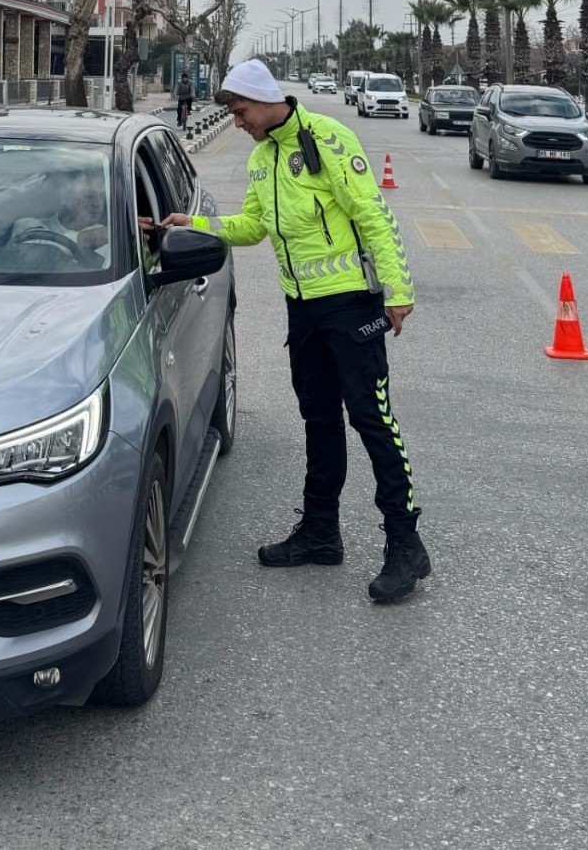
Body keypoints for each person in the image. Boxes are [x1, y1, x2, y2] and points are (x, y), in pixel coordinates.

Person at [146, 59, 431, 604]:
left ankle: (405, 543)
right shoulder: (261, 159)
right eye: (231, 114)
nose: (238, 122)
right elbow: (253, 227)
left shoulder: (327, 138)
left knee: (373, 420)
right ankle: (321, 532)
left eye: (240, 111)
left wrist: (398, 290)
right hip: (302, 311)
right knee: (318, 419)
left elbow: (373, 215)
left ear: (262, 98)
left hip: (352, 305)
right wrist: (195, 224)